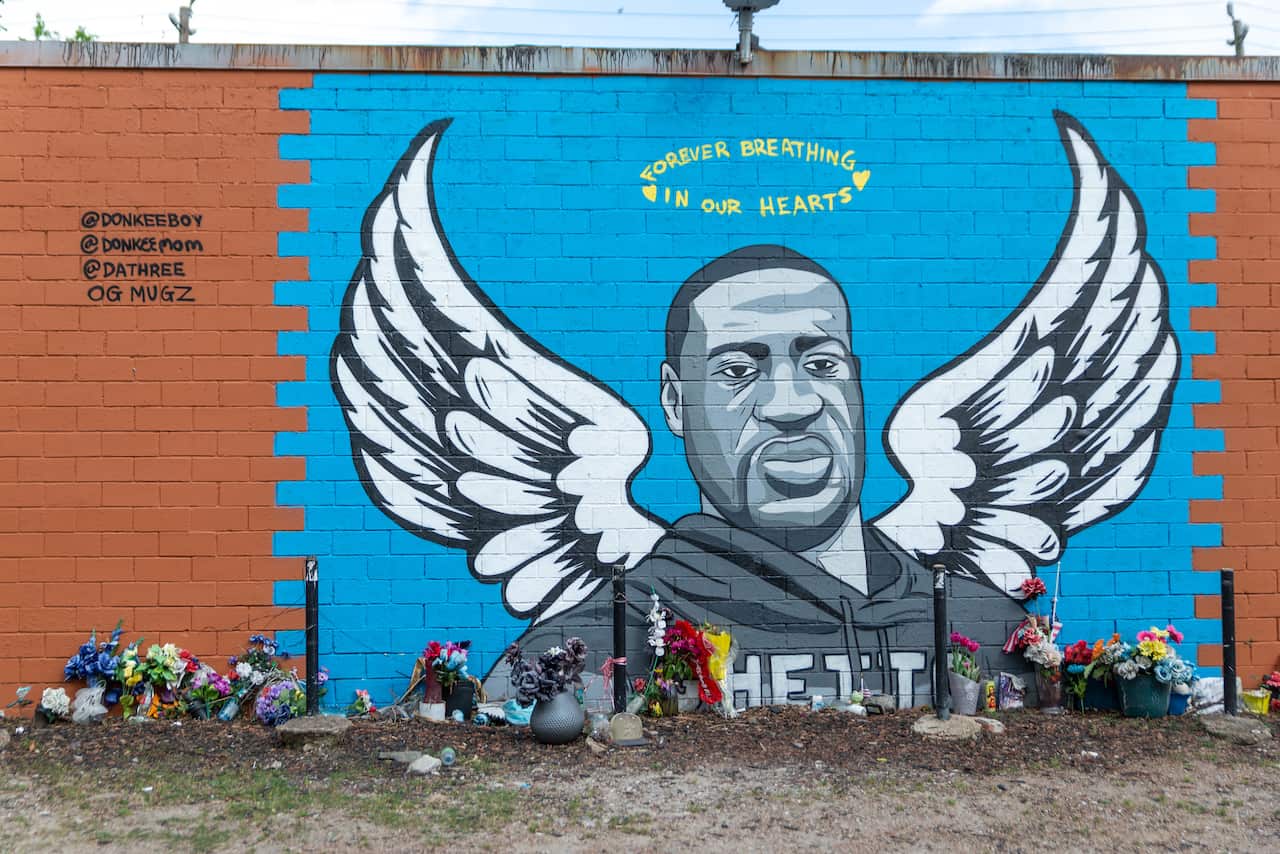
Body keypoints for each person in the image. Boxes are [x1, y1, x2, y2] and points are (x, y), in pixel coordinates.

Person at [486, 245, 1029, 708]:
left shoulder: (986, 624)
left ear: (856, 383)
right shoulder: (595, 639)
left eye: (821, 364)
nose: (791, 405)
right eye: (739, 372)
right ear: (674, 403)